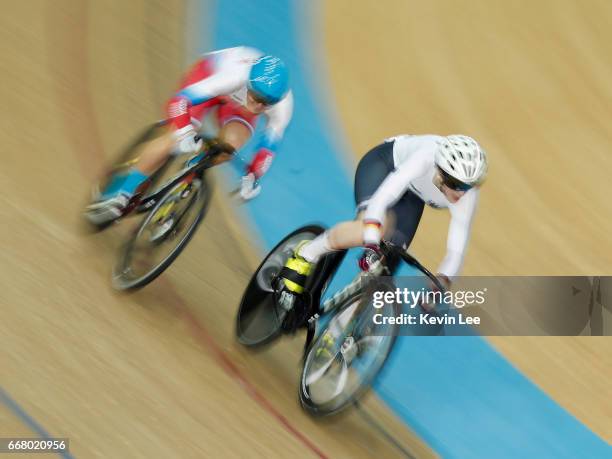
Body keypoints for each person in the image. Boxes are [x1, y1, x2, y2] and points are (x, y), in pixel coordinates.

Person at [86, 46, 293, 224]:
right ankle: (122, 191)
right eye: (256, 97)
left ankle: (189, 174)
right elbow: (179, 102)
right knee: (175, 138)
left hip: (236, 106)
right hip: (208, 76)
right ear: (249, 83)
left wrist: (254, 176)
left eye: (265, 103)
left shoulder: (283, 106)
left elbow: (268, 148)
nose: (257, 106)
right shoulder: (233, 76)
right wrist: (185, 132)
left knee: (230, 146)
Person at [280, 134, 488, 295]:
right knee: (371, 230)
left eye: (467, 186)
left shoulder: (467, 195)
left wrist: (440, 285)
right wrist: (371, 243)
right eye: (457, 185)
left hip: (414, 197)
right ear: (441, 172)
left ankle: (337, 330)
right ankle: (306, 254)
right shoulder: (424, 157)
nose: (461, 193)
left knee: (384, 269)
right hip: (386, 166)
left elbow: (456, 251)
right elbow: (384, 196)